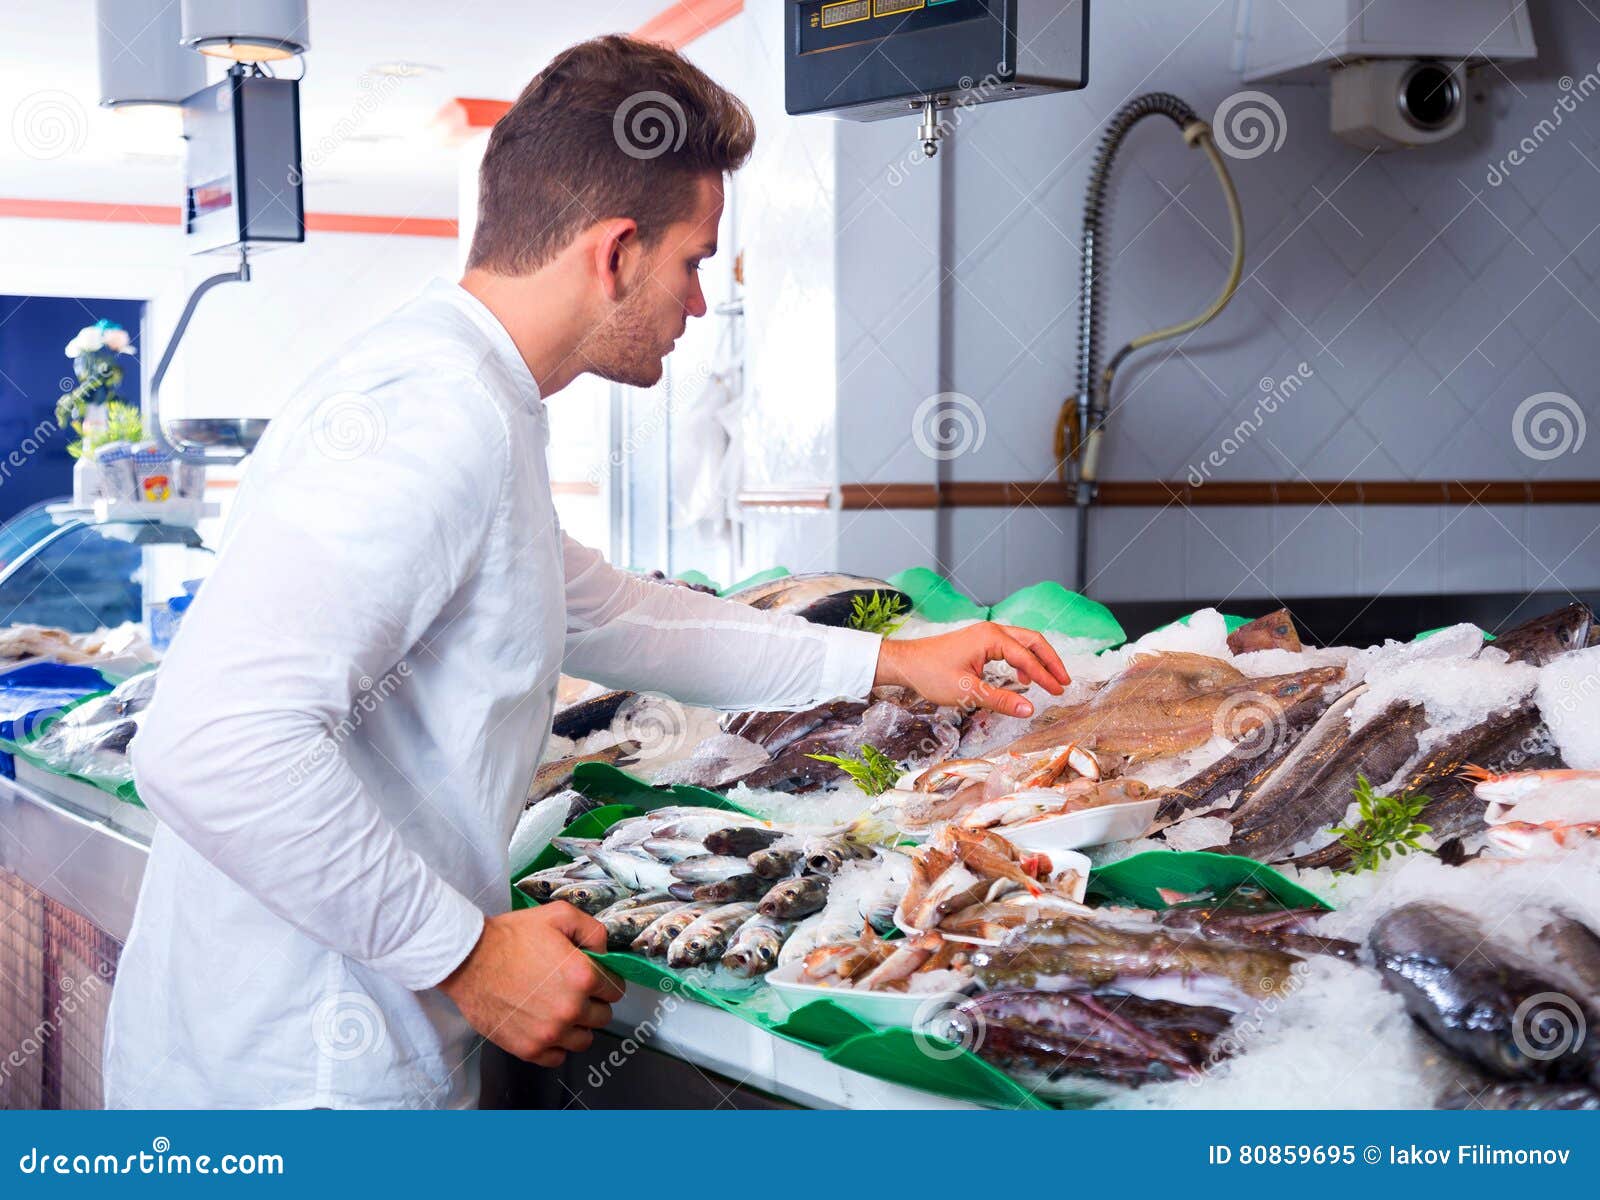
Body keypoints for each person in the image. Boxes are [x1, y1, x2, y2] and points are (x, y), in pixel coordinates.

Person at [104, 35, 1070, 1109]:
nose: (698, 304)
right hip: (294, 1076)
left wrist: (888, 658)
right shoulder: (435, 416)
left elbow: (614, 614)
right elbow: (209, 745)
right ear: (615, 251)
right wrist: (464, 954)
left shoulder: (464, 388)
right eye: (694, 260)